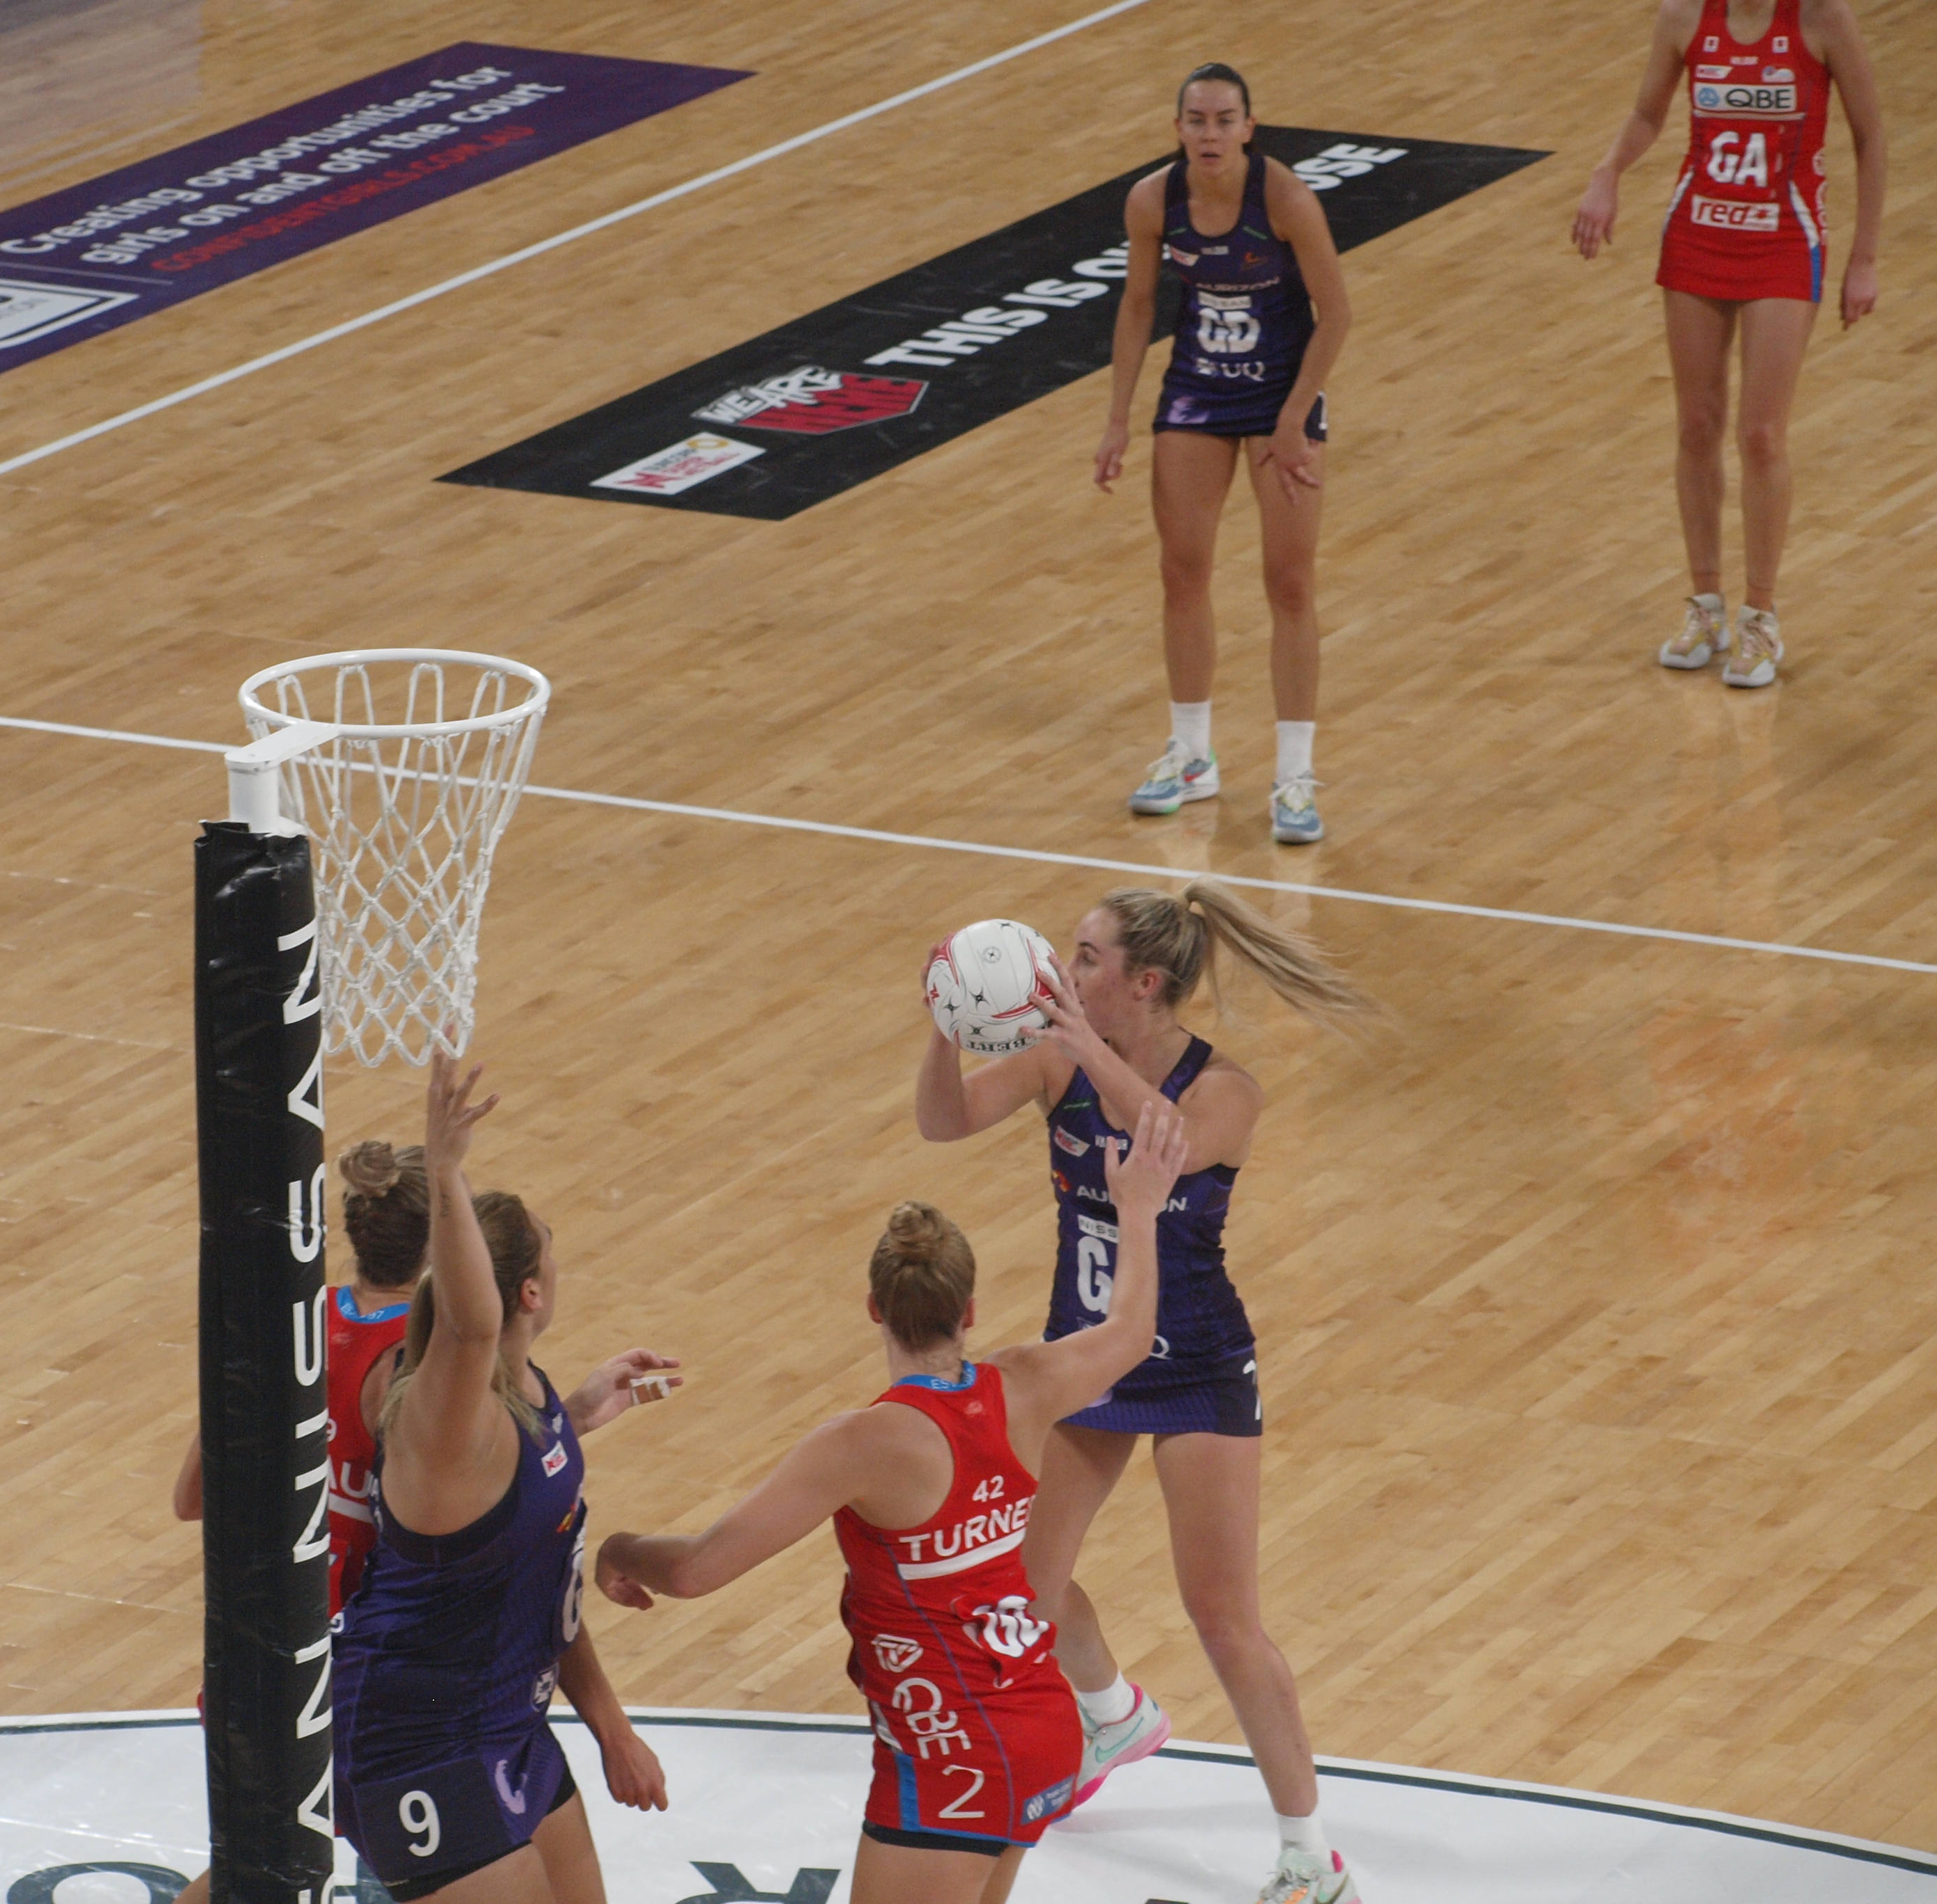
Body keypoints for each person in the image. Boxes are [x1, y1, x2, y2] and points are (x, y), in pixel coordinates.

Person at [594, 1103, 1189, 1904]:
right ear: (969, 1311)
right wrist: (1140, 1210)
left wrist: (622, 1550)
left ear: (875, 1309)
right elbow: (1130, 1328)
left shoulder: (865, 1444)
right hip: (1038, 1721)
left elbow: (700, 1569)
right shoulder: (1025, 1384)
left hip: (955, 1753)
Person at [914, 881, 1373, 1904]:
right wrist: (947, 1028)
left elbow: (1164, 1140)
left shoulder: (1226, 1092)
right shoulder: (1052, 1058)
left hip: (1197, 1363)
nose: (1061, 974)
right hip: (1091, 1357)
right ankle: (1112, 1709)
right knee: (1023, 1583)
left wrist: (1081, 1042)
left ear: (1143, 983)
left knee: (1223, 1617)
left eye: (1083, 959)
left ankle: (1310, 1854)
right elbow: (943, 1124)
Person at [168, 1127, 678, 1904]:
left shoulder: (298, 1327)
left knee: (268, 1869)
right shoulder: (415, 1376)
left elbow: (193, 1501)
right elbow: (476, 1491)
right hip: (379, 1662)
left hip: (273, 1656)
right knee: (274, 1872)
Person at [330, 1057, 668, 1904]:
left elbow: (540, 1584)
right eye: (552, 1260)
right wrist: (444, 1170)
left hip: (510, 1720)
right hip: (417, 1738)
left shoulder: (535, 1396)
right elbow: (471, 1325)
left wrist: (612, 1729)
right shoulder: (447, 1414)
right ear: (527, 1290)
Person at [1570, 0, 1884, 686]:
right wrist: (1606, 173)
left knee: (1761, 434)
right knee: (1696, 425)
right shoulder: (1683, 16)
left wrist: (1862, 258)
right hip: (1698, 234)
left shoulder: (1822, 19)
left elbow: (1870, 135)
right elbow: (1649, 113)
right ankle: (1706, 605)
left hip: (1783, 240)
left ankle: (1761, 616)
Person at [1095, 61, 1353, 846]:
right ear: (1179, 129)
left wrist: (1293, 414)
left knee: (1290, 583)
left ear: (1250, 128)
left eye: (1224, 120)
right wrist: (1116, 420)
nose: (1210, 134)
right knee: (1182, 570)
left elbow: (1337, 314)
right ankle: (1192, 752)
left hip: (1281, 393)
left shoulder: (1284, 199)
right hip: (1198, 392)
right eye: (1196, 120)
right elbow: (1139, 306)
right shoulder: (1152, 202)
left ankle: (1295, 776)